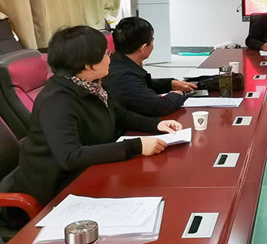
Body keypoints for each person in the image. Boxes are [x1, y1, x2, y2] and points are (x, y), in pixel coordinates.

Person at [1, 26, 181, 206]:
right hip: (55, 190)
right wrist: (135, 146)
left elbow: (119, 114)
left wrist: (156, 125)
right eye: (106, 54)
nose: (110, 58)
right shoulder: (57, 101)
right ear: (88, 65)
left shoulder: (91, 85)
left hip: (89, 173)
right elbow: (71, 156)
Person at [103, 17, 196, 117]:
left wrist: (170, 84)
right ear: (143, 48)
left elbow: (141, 85)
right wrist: (178, 95)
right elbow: (159, 107)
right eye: (152, 39)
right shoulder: (123, 76)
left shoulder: (118, 61)